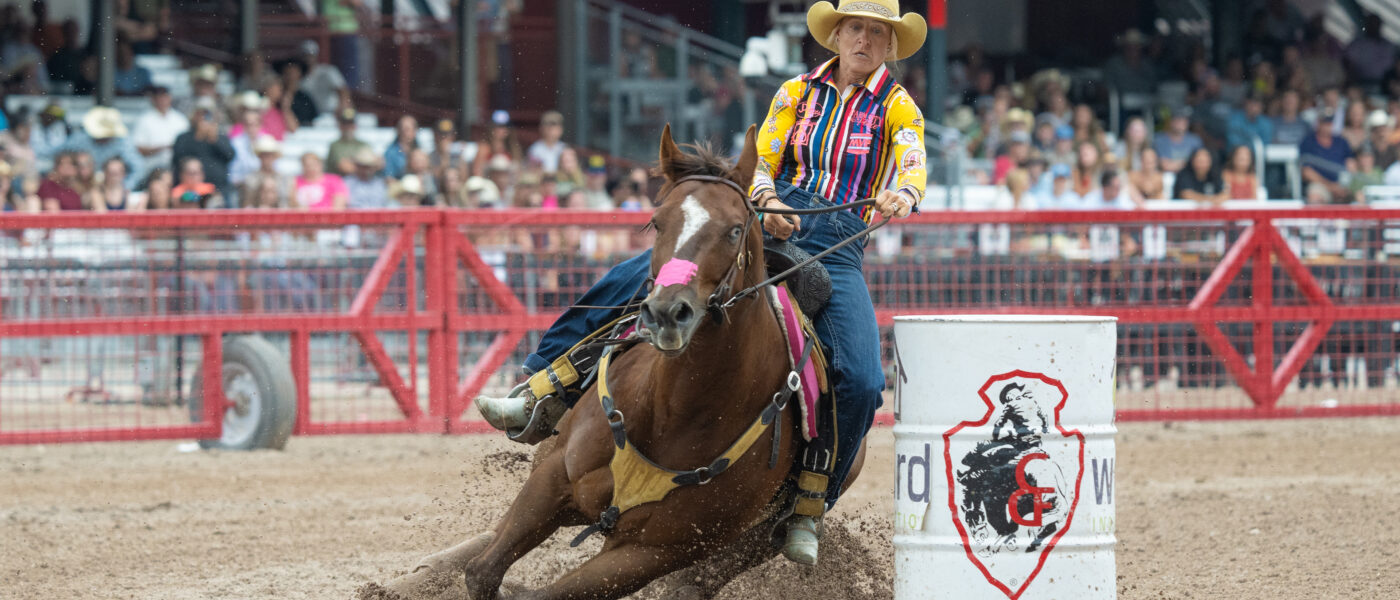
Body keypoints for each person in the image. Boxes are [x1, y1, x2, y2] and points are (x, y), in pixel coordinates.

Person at [474, 0, 928, 567]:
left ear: (890, 46)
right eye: (856, 28)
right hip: (765, 227)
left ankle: (810, 503)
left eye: (878, 33)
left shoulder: (899, 107)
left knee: (861, 379)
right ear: (836, 35)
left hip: (837, 248)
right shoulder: (795, 93)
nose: (864, 40)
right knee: (628, 280)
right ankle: (540, 389)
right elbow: (763, 158)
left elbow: (912, 162)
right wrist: (767, 199)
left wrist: (903, 193)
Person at [59, 107, 143, 189]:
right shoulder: (80, 139)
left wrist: (124, 187)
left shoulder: (122, 142)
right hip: (81, 187)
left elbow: (139, 168)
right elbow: (58, 154)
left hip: (109, 188)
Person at [170, 101, 236, 203]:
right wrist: (197, 138)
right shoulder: (184, 137)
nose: (204, 118)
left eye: (207, 115)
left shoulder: (220, 137)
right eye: (201, 114)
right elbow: (177, 158)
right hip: (190, 189)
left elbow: (231, 156)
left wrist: (215, 140)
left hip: (218, 189)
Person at [131, 86, 190, 181]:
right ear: (153, 99)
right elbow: (138, 149)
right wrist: (162, 148)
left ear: (170, 98)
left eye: (165, 97)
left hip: (176, 167)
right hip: (151, 167)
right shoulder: (144, 120)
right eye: (159, 97)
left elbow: (187, 145)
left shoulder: (180, 119)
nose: (162, 100)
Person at [1299, 108, 1354, 203]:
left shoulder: (1341, 141)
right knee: (1314, 196)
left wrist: (1344, 185)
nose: (1327, 126)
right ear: (1318, 123)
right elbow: (1306, 172)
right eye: (1324, 123)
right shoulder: (1308, 142)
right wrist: (1330, 186)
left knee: (1359, 194)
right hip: (1320, 184)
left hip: (1341, 184)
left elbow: (1351, 165)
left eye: (1329, 123)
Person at [1153, 108, 1202, 173]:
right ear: (1171, 121)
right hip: (1167, 176)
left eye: (1184, 120)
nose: (1181, 123)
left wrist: (1175, 164)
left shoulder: (1195, 140)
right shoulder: (1160, 140)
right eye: (1178, 120)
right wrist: (1187, 163)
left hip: (1189, 177)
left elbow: (1201, 163)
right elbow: (1165, 166)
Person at [326, 108, 370, 176]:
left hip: (360, 180)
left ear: (355, 126)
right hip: (341, 180)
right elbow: (345, 168)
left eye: (351, 124)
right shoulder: (335, 145)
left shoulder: (363, 144)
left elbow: (377, 164)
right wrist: (366, 167)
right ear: (340, 126)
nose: (348, 127)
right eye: (345, 124)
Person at [383, 115, 418, 179]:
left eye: (408, 129)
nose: (405, 132)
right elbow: (388, 178)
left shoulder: (419, 150)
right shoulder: (391, 153)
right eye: (404, 129)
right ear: (398, 131)